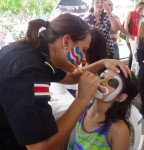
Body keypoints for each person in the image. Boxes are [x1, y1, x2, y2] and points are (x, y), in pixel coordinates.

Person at [0, 13, 130, 150]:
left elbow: (71, 77)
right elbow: (41, 147)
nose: (84, 59)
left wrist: (103, 62)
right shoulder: (30, 71)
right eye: (83, 50)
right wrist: (82, 98)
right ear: (66, 41)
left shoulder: (38, 55)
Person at [68, 68, 139, 150]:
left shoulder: (118, 130)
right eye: (102, 77)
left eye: (111, 82)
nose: (101, 81)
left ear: (121, 97)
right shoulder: (82, 108)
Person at [124, 1, 144, 68]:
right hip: (132, 37)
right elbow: (126, 25)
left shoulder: (141, 15)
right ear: (136, 6)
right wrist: (128, 36)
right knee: (133, 53)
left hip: (139, 38)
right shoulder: (130, 13)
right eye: (140, 8)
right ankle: (130, 69)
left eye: (143, 8)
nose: (141, 10)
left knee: (134, 54)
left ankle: (132, 69)